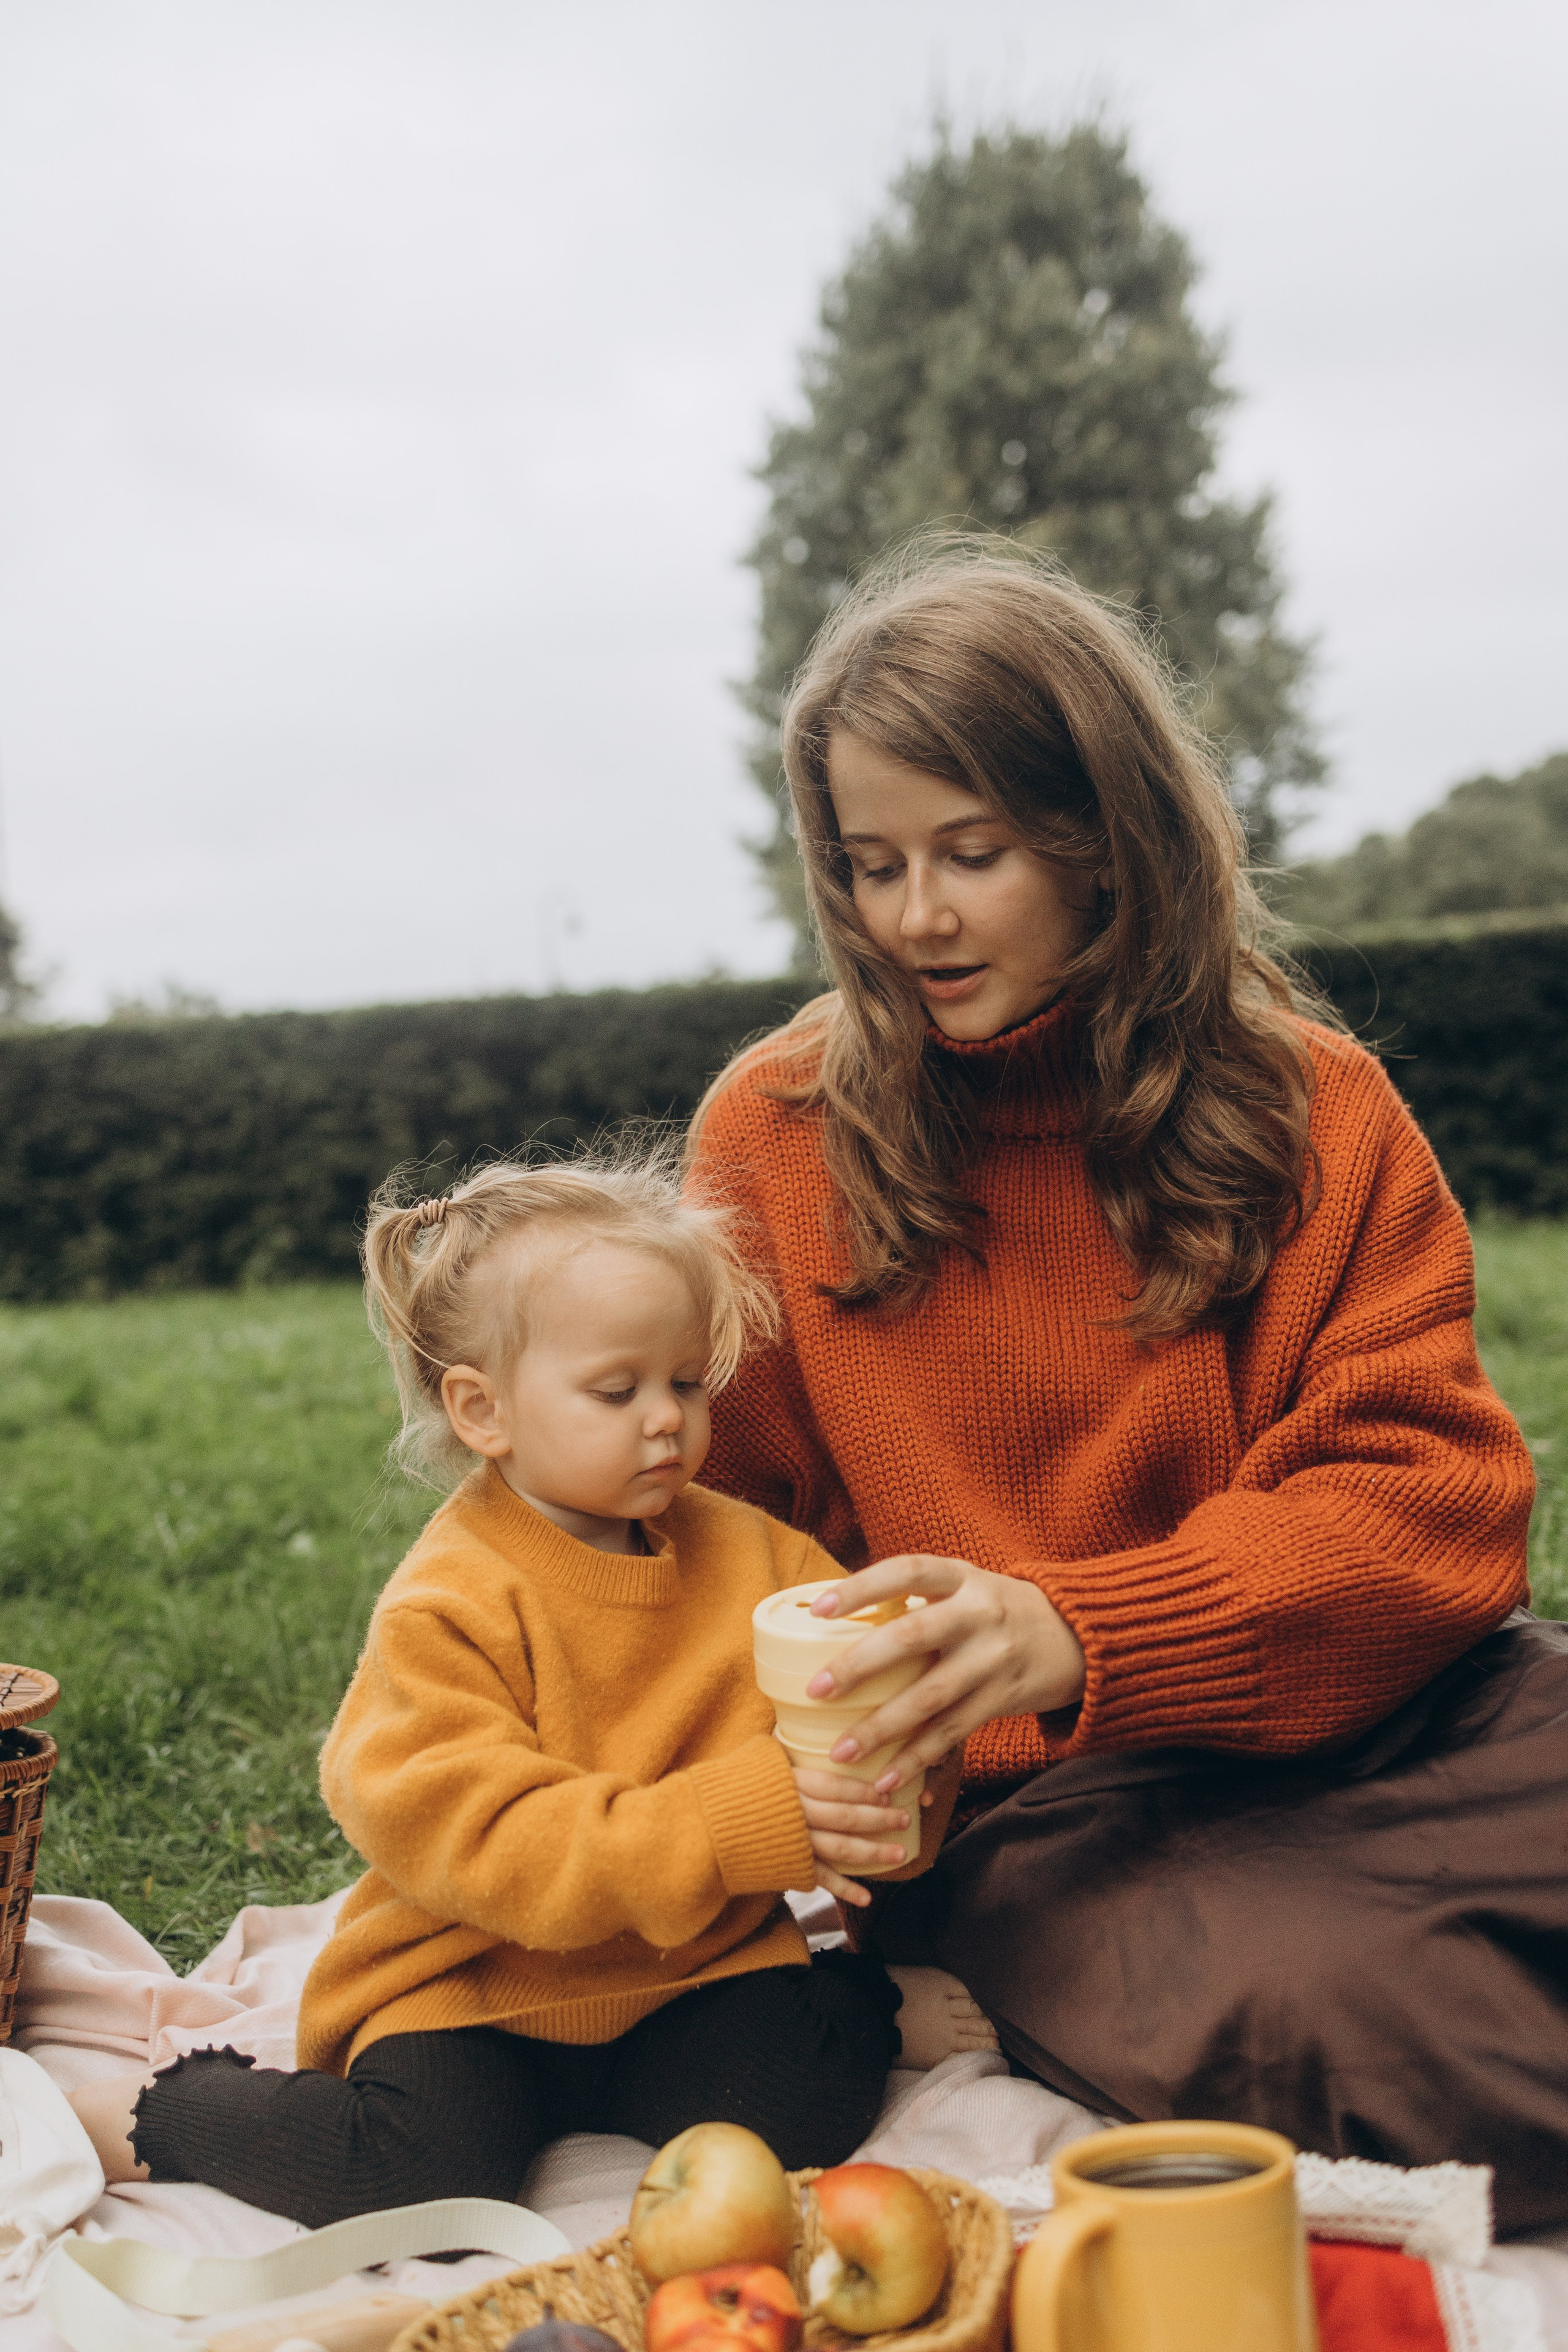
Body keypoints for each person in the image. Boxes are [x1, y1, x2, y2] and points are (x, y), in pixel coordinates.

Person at [687, 540, 1567, 2237]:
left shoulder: (1312, 1103)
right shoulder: (775, 1137)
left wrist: (1084, 1624)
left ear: (1107, 842)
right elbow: (701, 1551)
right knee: (1338, 2018)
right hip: (1037, 1816)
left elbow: (1434, 1507)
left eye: (973, 854)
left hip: (1403, 1709)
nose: (913, 916)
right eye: (868, 864)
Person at [70, 1157, 982, 2228]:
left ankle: (865, 2004)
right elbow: (491, 1842)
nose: (666, 1420)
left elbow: (859, 1744)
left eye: (687, 1383)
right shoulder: (451, 1603)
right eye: (617, 1391)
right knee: (410, 2177)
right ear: (482, 1411)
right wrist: (744, 1820)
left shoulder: (757, 1559)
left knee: (798, 2108)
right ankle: (166, 2111)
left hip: (683, 1970)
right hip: (473, 1984)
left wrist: (903, 1752)